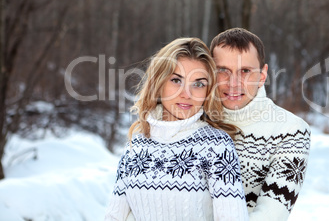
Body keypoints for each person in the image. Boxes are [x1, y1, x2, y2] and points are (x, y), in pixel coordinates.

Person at [104, 38, 249, 221]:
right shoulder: (136, 143)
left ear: (208, 90)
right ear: (159, 82)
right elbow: (114, 216)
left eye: (198, 84)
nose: (186, 94)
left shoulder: (217, 146)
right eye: (176, 80)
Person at [210, 28, 311, 221]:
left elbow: (272, 214)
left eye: (245, 71)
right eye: (223, 70)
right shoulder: (196, 121)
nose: (233, 83)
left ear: (262, 76)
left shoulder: (291, 131)